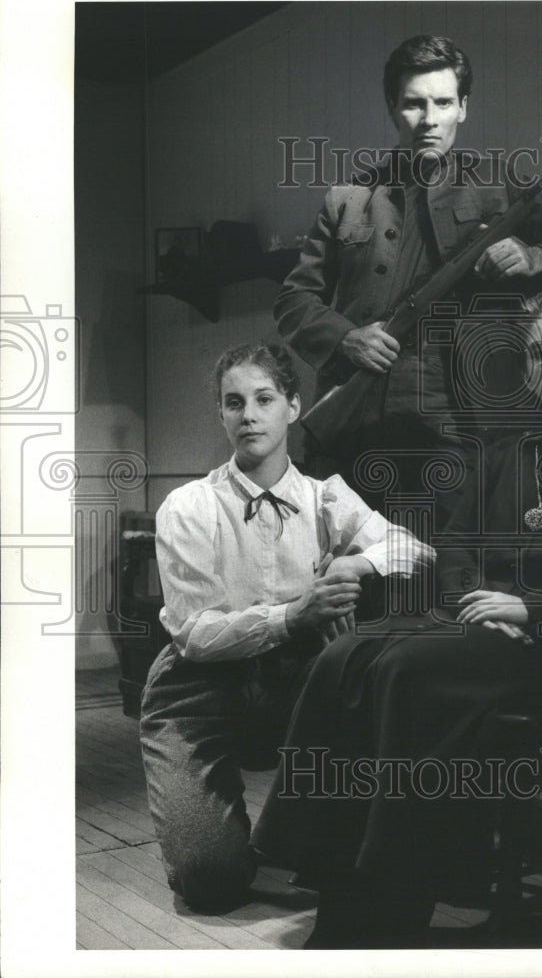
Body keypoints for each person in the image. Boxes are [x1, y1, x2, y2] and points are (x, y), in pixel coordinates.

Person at [250, 290, 542, 948]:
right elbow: (452, 546)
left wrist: (531, 608)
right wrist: (477, 600)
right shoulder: (503, 457)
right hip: (477, 629)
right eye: (539, 353)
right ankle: (339, 884)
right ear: (528, 372)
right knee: (349, 653)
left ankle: (394, 897)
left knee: (407, 671)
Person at [139, 342, 433, 912]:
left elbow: (416, 550)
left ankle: (318, 845)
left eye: (264, 398)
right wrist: (296, 614)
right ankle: (221, 840)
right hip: (197, 693)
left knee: (361, 680)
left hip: (294, 686)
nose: (248, 414)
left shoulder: (327, 497)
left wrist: (358, 561)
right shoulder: (189, 506)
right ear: (221, 415)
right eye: (233, 402)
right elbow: (195, 635)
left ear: (293, 407)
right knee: (211, 883)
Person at [274, 34, 542, 518]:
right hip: (359, 430)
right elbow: (293, 301)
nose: (429, 120)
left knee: (451, 577)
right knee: (352, 575)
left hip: (462, 432)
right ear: (392, 107)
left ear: (463, 107)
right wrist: (347, 339)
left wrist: (535, 255)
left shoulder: (499, 188)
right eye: (413, 104)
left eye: (443, 102)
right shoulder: (346, 198)